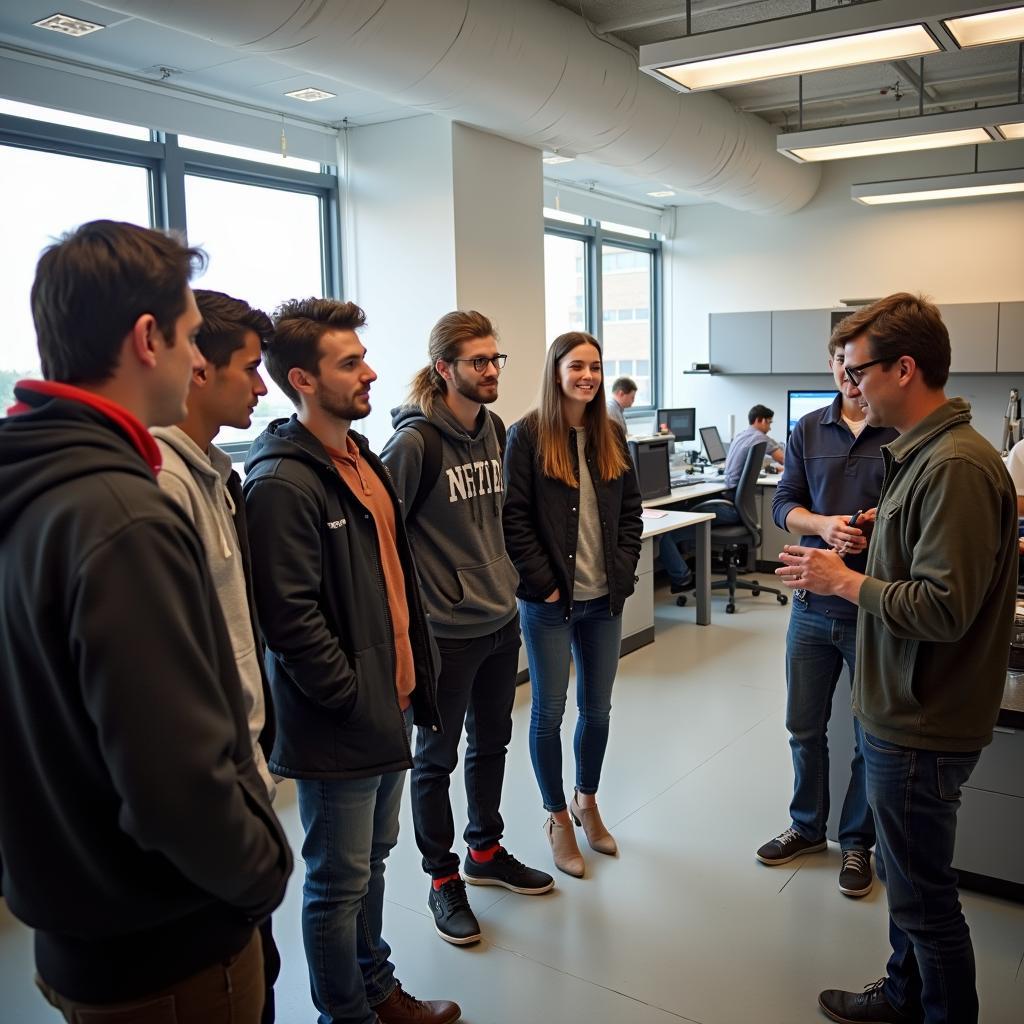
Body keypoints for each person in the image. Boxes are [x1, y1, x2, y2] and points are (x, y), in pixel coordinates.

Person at [0, 221, 292, 1023]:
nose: (201, 362)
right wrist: (264, 871)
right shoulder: (122, 514)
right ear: (146, 339)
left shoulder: (31, 481)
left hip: (75, 930)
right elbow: (176, 788)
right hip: (167, 948)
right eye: (193, 337)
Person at [775, 294, 1017, 1024]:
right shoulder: (926, 458)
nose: (850, 385)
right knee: (909, 884)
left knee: (924, 900)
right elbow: (923, 565)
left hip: (921, 717)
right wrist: (882, 534)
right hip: (904, 707)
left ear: (903, 369)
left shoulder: (954, 467)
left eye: (859, 371)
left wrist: (843, 579)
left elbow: (943, 608)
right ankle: (905, 994)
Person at [243, 298, 460, 1024]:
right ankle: (349, 1014)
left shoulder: (362, 458)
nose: (370, 372)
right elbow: (291, 621)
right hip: (343, 719)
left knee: (372, 867)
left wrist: (395, 693)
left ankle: (376, 989)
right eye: (350, 363)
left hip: (388, 706)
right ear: (303, 379)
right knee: (337, 883)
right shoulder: (280, 481)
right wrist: (351, 696)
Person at [381, 311, 553, 947]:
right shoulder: (414, 445)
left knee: (491, 745)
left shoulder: (495, 430)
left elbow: (498, 519)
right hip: (444, 631)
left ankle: (485, 850)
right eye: (477, 361)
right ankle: (441, 877)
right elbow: (383, 539)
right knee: (435, 759)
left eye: (495, 359)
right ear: (443, 369)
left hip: (498, 618)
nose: (490, 371)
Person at [152, 288, 283, 1022]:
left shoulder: (214, 475)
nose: (260, 387)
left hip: (245, 778)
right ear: (198, 370)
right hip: (216, 802)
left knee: (257, 983)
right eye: (251, 369)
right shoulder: (163, 487)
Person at [755, 324, 898, 899]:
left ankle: (857, 843)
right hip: (811, 607)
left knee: (868, 733)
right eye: (838, 361)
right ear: (832, 367)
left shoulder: (899, 431)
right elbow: (783, 504)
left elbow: (910, 518)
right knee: (803, 726)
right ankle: (808, 828)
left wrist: (870, 534)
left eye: (855, 362)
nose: (847, 372)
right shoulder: (809, 428)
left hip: (869, 607)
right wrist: (822, 525)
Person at [503, 331, 643, 878]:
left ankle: (587, 801)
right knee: (549, 711)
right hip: (551, 603)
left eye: (596, 366)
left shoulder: (610, 433)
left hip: (603, 599)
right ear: (556, 371)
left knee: (598, 710)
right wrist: (546, 584)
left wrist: (623, 572)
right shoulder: (529, 436)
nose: (588, 375)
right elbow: (513, 519)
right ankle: (556, 816)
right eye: (577, 366)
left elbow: (631, 511)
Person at [724, 404, 784, 490]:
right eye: (769, 423)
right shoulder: (760, 437)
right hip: (737, 490)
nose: (770, 428)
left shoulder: (740, 436)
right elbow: (784, 459)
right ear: (762, 420)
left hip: (729, 487)